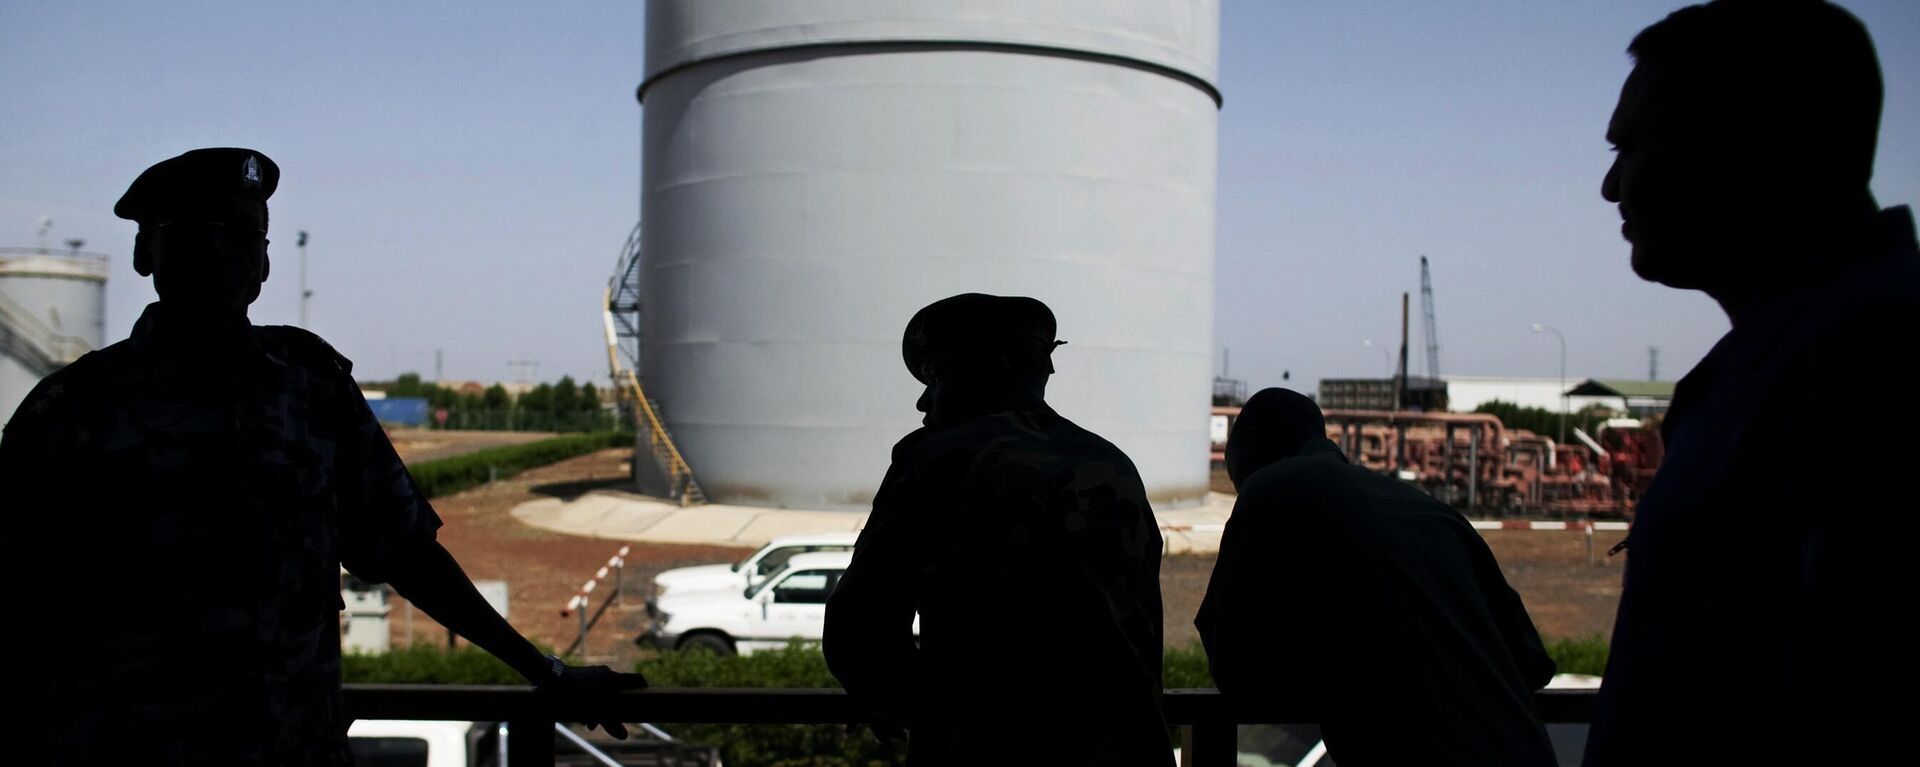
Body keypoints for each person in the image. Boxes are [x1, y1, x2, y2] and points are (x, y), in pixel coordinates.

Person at [0, 148, 643, 765]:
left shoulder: (310, 385)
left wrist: (547, 672)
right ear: (146, 251)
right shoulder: (69, 413)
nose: (227, 248)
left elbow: (406, 553)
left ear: (267, 264)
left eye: (248, 232)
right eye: (200, 227)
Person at [1588, 2, 1918, 763]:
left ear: (1729, 150)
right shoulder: (1808, 352)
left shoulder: (1876, 363)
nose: (1611, 187)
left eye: (1632, 147)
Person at [824, 293, 1171, 766]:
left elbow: (860, 628)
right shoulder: (1110, 462)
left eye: (938, 376)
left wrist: (919, 716)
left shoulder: (942, 459)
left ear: (998, 365)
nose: (923, 400)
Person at [1196, 388, 1556, 767]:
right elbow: (1531, 661)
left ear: (1248, 443)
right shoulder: (1424, 506)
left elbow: (1236, 667)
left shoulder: (1271, 490)